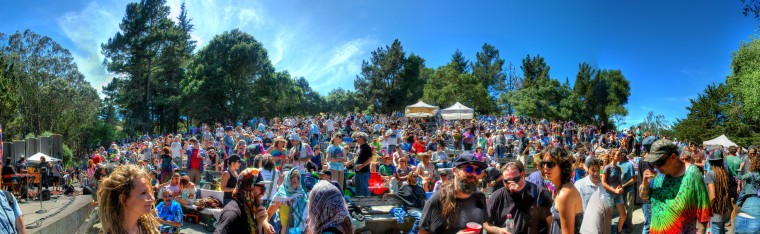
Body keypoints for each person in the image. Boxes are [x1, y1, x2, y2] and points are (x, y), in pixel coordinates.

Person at [639, 139, 711, 234]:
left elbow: (703, 212)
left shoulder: (692, 174)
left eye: (659, 163)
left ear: (673, 157)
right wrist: (645, 183)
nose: (655, 166)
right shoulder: (658, 174)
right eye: (653, 163)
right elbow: (644, 197)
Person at [419, 153, 488, 234]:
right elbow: (422, 232)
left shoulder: (480, 197)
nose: (473, 174)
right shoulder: (436, 200)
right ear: (454, 171)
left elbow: (485, 223)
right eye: (469, 169)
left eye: (477, 170)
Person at [483, 161, 552, 234]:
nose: (511, 183)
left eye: (516, 180)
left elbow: (550, 223)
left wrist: (520, 192)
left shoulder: (540, 193)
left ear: (522, 175)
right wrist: (499, 231)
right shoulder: (496, 196)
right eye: (507, 181)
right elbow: (485, 223)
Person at [97, 164, 160, 234]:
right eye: (143, 193)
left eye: (150, 191)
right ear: (123, 198)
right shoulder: (109, 232)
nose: (152, 198)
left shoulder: (149, 227)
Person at [215, 168, 275, 234]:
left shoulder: (249, 209)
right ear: (248, 187)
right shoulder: (232, 214)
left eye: (264, 188)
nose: (263, 193)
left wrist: (260, 224)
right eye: (261, 188)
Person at [541, 146, 583, 234]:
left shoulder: (565, 194)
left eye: (550, 164)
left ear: (562, 165)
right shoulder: (561, 189)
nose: (545, 167)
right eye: (543, 163)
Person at [703, 149, 733, 234]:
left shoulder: (710, 174)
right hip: (724, 209)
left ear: (710, 161)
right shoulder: (725, 173)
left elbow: (712, 196)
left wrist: (706, 209)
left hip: (715, 211)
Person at [269, 168, 308, 233]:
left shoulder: (302, 194)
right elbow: (269, 213)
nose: (292, 184)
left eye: (295, 181)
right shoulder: (281, 195)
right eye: (290, 182)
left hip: (301, 230)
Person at [600, 151, 626, 234]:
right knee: (609, 217)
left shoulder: (618, 168)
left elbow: (619, 181)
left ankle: (619, 230)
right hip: (609, 194)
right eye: (618, 155)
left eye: (620, 155)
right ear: (612, 156)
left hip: (618, 194)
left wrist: (621, 187)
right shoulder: (607, 168)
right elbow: (603, 183)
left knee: (623, 215)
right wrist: (614, 190)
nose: (619, 156)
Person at [734, 152, 760, 233]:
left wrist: (740, 168)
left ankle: (736, 208)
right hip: (757, 201)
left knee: (739, 200)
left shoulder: (750, 174)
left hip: (742, 213)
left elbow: (740, 177)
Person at [353, 132, 373, 196]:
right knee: (357, 188)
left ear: (362, 138)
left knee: (364, 189)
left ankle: (367, 205)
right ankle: (359, 205)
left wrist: (362, 165)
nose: (356, 139)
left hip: (364, 172)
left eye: (358, 137)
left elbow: (370, 159)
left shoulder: (367, 147)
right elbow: (356, 158)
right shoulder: (359, 147)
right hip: (357, 171)